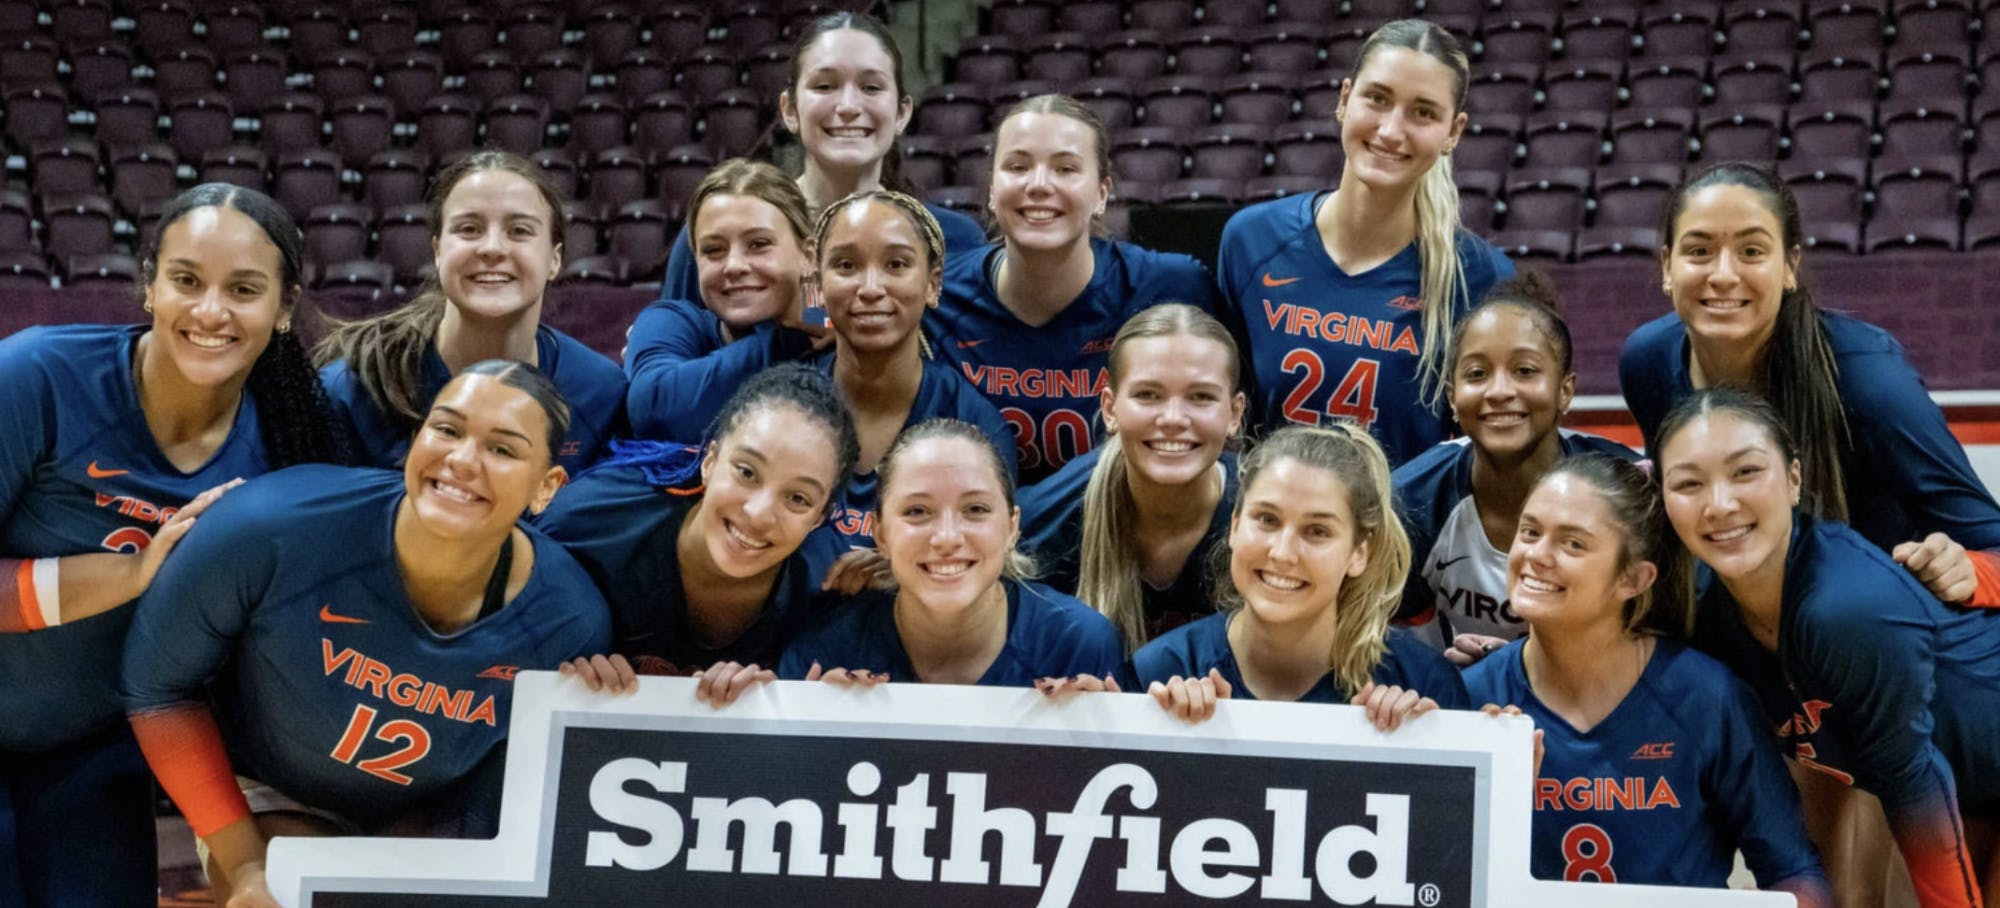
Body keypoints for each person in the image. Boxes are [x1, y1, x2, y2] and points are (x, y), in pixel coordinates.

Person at [123, 362, 612, 908]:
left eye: (502, 449)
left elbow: (519, 787)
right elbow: (156, 689)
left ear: (546, 488)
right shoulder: (271, 525)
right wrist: (245, 867)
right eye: (446, 429)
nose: (461, 460)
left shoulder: (569, 618)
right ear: (417, 437)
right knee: (288, 893)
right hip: (278, 790)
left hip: (436, 815)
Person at [0, 183, 347, 906]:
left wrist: (247, 859)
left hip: (92, 746)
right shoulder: (35, 376)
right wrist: (133, 575)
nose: (211, 311)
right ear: (150, 286)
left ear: (283, 312)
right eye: (187, 280)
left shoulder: (292, 454)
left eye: (244, 289)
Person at [1658, 389, 2000, 908]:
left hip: (1942, 783)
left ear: (1794, 479)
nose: (1720, 504)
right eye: (1688, 483)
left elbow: (1915, 784)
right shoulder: (1702, 610)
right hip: (1957, 785)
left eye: (1746, 472)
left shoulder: (1844, 607)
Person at [1621, 161, 2000, 608]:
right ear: (1667, 265)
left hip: (1867, 630)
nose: (1723, 274)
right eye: (1699, 251)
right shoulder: (1646, 361)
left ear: (1789, 266)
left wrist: (1960, 569)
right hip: (1739, 621)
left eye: (1752, 251)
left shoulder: (1869, 382)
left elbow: (1990, 542)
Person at [1463, 455, 1832, 903]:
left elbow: (1791, 870)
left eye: (1573, 544)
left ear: (1633, 579)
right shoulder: (1472, 699)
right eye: (1530, 532)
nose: (1537, 556)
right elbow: (1435, 872)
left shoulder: (1707, 698)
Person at [634, 190, 1015, 554]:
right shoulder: (773, 402)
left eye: (896, 265)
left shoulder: (973, 424)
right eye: (846, 266)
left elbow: (988, 560)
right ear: (816, 281)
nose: (870, 288)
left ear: (932, 285)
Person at [1216, 18, 1513, 468]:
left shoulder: (1480, 277)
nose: (1391, 131)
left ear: (1453, 132)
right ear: (1343, 100)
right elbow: (1221, 412)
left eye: (1423, 112)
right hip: (1274, 529)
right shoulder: (1252, 240)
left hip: (1408, 535)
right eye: (1377, 99)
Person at [930, 94, 1222, 482]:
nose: (1038, 185)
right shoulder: (936, 296)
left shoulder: (1171, 285)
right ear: (991, 190)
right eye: (1017, 167)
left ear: (1102, 193)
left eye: (1065, 169)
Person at [1108, 424, 1470, 724]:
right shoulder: (1163, 671)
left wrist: (1420, 748)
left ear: (1360, 553)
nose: (1282, 553)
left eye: (1317, 531)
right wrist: (1163, 733)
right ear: (1234, 526)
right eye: (1266, 520)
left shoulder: (1423, 687)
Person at [537, 364, 857, 681]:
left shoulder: (830, 588)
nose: (758, 513)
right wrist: (557, 673)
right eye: (746, 472)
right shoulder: (590, 520)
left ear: (820, 517)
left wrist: (811, 706)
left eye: (797, 499)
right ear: (709, 462)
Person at [317, 149, 625, 475]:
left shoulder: (600, 393)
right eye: (469, 228)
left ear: (554, 259)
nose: (492, 248)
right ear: (437, 252)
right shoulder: (353, 390)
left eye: (520, 230)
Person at [653, 11, 986, 307]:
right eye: (825, 86)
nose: (848, 106)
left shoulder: (953, 240)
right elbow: (667, 362)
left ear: (901, 112)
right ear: (790, 110)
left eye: (871, 87)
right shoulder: (722, 233)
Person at [1392, 273, 1635, 662]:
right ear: (1452, 398)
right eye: (1477, 374)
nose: (1500, 391)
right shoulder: (1408, 503)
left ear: (1565, 390)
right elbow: (1409, 664)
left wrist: (1520, 669)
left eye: (1525, 371)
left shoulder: (1626, 486)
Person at [779, 419, 1124, 686]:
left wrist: (1094, 737)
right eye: (917, 512)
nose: (946, 538)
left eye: (975, 509)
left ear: (1012, 526)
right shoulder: (822, 657)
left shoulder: (1077, 645)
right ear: (879, 534)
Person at [1018, 303, 1243, 652]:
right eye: (1147, 395)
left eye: (1200, 397)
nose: (1173, 418)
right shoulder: (1040, 524)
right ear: (1110, 409)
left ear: (1234, 413)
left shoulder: (1271, 517)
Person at [624, 159, 825, 439]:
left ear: (808, 256)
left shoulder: (837, 329)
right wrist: (788, 340)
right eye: (714, 250)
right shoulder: (670, 321)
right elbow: (654, 413)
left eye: (758, 244)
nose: (734, 265)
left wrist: (818, 317)